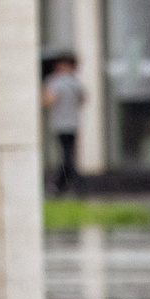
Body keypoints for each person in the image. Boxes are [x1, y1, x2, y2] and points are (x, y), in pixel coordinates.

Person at [43, 56, 85, 198]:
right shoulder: (75, 82)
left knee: (67, 156)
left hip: (61, 124)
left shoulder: (55, 82)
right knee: (68, 154)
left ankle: (67, 185)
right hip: (72, 124)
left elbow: (48, 101)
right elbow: (82, 99)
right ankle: (66, 185)